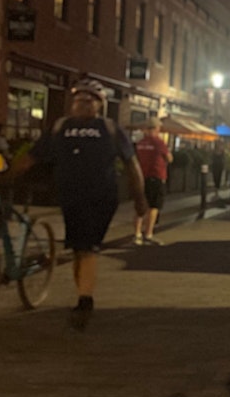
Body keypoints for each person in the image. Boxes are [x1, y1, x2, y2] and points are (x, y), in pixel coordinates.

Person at [11, 78, 147, 331]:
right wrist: (6, 176)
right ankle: (82, 294)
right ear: (71, 104)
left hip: (101, 198)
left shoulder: (110, 129)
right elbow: (32, 157)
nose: (83, 103)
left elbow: (132, 165)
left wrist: (140, 199)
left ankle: (85, 300)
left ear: (99, 105)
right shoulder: (60, 127)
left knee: (86, 247)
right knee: (79, 248)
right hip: (70, 197)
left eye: (89, 99)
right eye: (78, 99)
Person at [133, 117, 173, 246]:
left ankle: (137, 234)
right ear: (156, 128)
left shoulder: (140, 143)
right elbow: (169, 158)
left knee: (140, 207)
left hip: (141, 177)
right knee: (154, 207)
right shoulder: (159, 142)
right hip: (156, 176)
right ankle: (148, 234)